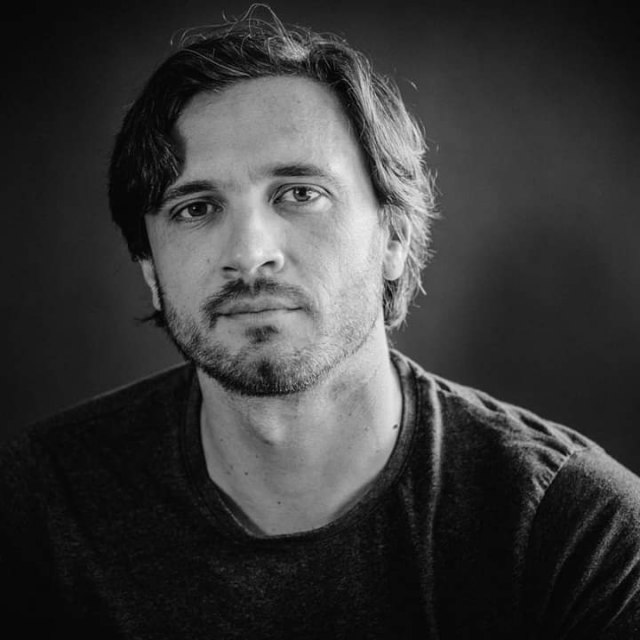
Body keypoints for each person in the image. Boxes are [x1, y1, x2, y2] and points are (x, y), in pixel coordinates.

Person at [1, 7, 639, 639]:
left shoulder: (576, 528)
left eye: (300, 194)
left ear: (394, 237)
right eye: (195, 208)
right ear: (149, 268)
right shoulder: (36, 505)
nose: (250, 253)